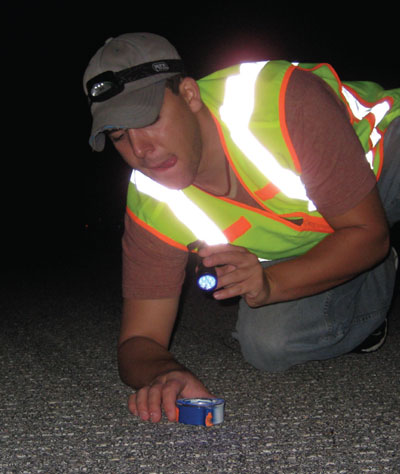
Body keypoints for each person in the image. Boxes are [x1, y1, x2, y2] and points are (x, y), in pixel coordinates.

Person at [83, 32, 400, 424]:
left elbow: (368, 233)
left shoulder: (277, 102)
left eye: (147, 119)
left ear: (188, 95)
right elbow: (138, 341)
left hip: (382, 162)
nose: (141, 150)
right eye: (119, 135)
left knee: (369, 230)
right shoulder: (150, 202)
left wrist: (279, 280)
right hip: (326, 234)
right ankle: (370, 293)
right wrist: (164, 373)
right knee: (267, 342)